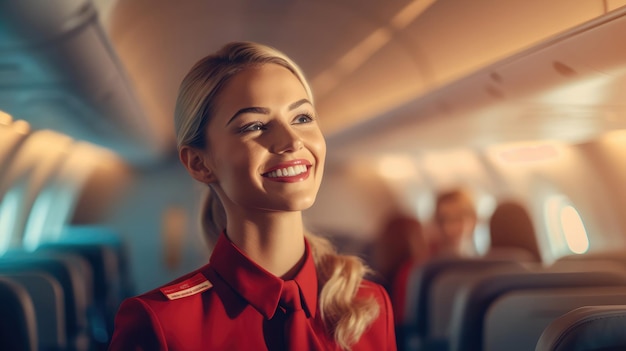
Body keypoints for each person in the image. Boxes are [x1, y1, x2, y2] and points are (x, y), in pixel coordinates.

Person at [108, 42, 396, 350]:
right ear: (199, 163)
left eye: (302, 118)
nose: (291, 141)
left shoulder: (368, 307)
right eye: (254, 126)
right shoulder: (161, 324)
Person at [431, 189, 477, 257]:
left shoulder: (485, 262)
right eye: (443, 220)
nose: (450, 228)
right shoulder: (429, 263)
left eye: (458, 218)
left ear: (473, 219)